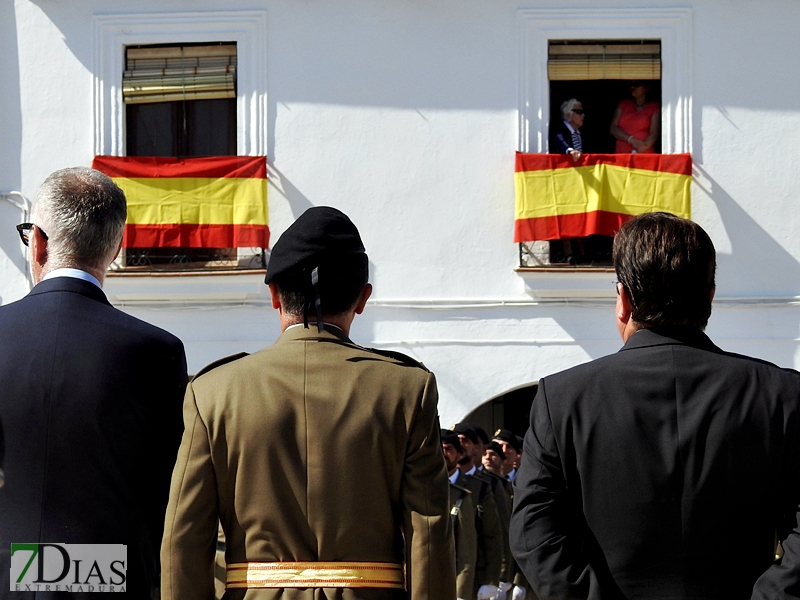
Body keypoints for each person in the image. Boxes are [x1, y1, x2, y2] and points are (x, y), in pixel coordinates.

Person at [161, 206, 456, 599]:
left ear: (273, 295)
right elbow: (429, 536)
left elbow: (184, 536)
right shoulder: (407, 388)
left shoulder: (213, 391)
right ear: (363, 297)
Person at [510, 211, 800, 599]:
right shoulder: (782, 394)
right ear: (709, 297)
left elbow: (534, 532)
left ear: (624, 300)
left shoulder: (562, 399)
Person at [0, 167, 188, 597]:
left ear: (39, 243)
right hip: (109, 582)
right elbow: (166, 494)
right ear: (117, 248)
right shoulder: (157, 352)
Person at [442, 429, 478, 600]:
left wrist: (495, 578)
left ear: (459, 454)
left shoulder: (470, 490)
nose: (443, 454)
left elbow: (468, 549)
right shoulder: (420, 489)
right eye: (439, 449)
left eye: (449, 449)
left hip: (458, 577)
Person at [610, 81, 660, 153]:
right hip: (622, 154)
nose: (632, 87)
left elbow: (654, 134)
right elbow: (613, 128)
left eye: (637, 85)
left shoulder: (654, 106)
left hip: (644, 153)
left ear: (647, 88)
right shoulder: (623, 104)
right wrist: (632, 140)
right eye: (631, 85)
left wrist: (639, 150)